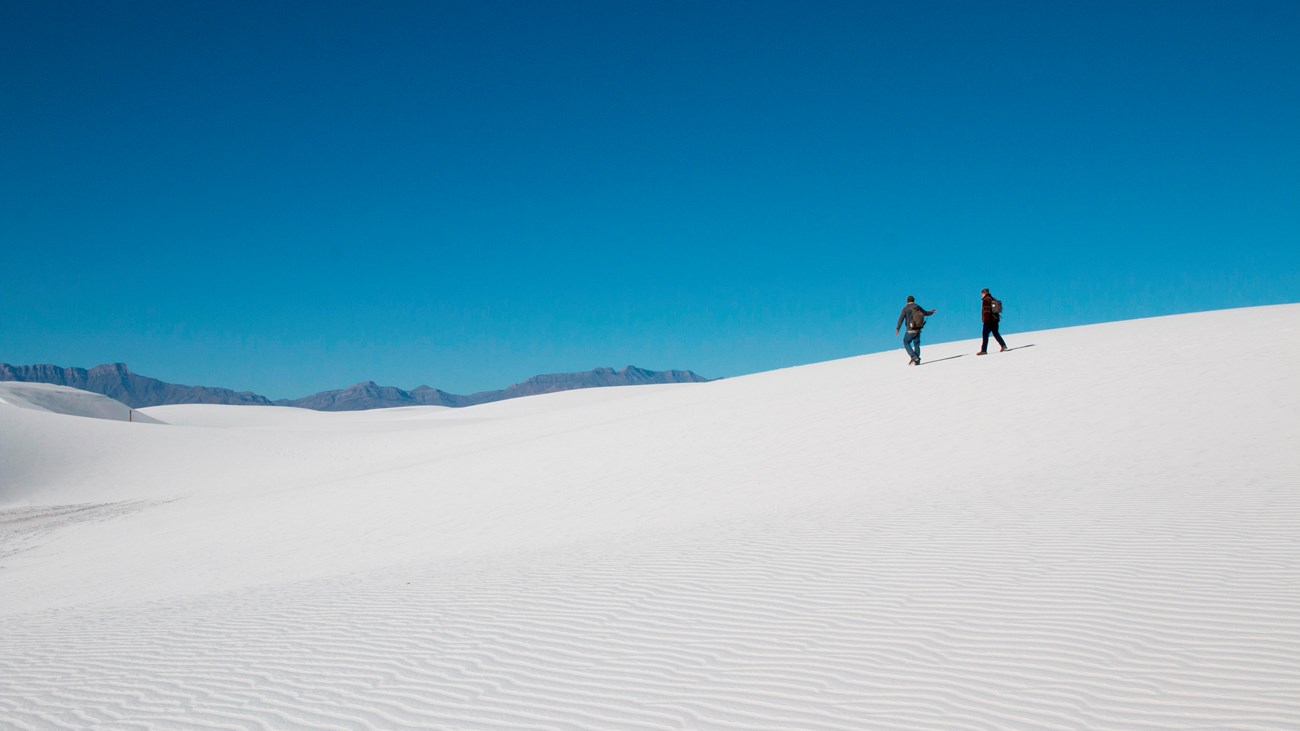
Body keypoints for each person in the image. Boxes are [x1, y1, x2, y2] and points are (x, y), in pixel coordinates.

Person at [895, 295, 935, 365]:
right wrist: (931, 312)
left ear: (907, 301)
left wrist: (897, 328)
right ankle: (917, 360)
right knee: (916, 344)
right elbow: (926, 313)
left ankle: (914, 357)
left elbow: (901, 319)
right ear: (913, 300)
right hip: (918, 329)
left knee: (906, 342)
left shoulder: (905, 308)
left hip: (910, 330)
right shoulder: (917, 307)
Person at [976, 288, 1007, 355]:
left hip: (988, 321)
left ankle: (984, 350)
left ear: (984, 293)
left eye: (982, 294)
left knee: (985, 334)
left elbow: (986, 310)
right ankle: (1003, 345)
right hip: (995, 320)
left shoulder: (985, 300)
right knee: (995, 333)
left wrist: (985, 320)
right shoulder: (992, 299)